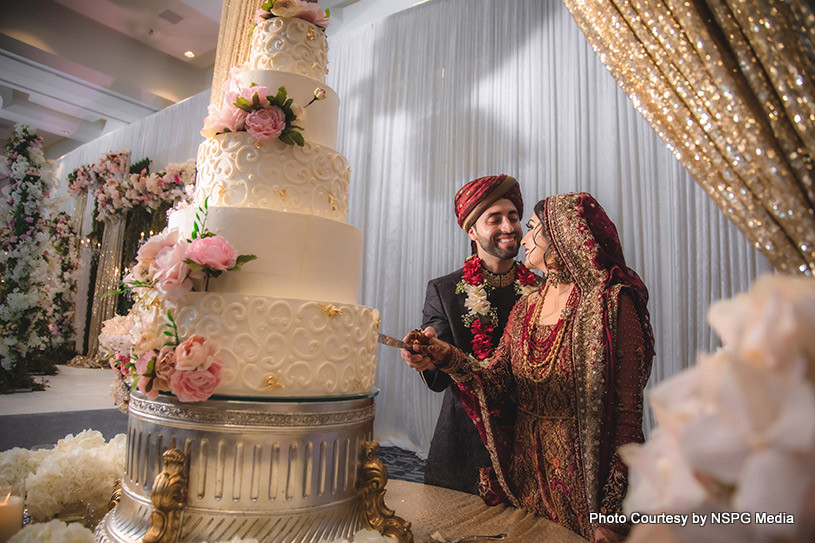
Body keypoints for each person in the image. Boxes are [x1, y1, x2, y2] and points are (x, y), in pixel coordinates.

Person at [403, 192, 654, 543]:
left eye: (531, 226)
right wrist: (445, 355)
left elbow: (627, 415)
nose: (520, 235)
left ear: (560, 235)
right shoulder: (528, 306)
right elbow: (494, 380)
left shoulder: (610, 304)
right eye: (497, 218)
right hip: (525, 481)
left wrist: (608, 516)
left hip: (584, 485)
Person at [400, 174, 540, 495]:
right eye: (495, 219)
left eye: (514, 217)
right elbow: (439, 375)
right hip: (464, 446)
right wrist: (426, 357)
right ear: (472, 230)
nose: (508, 227)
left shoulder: (540, 290)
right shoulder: (445, 290)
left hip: (528, 445)